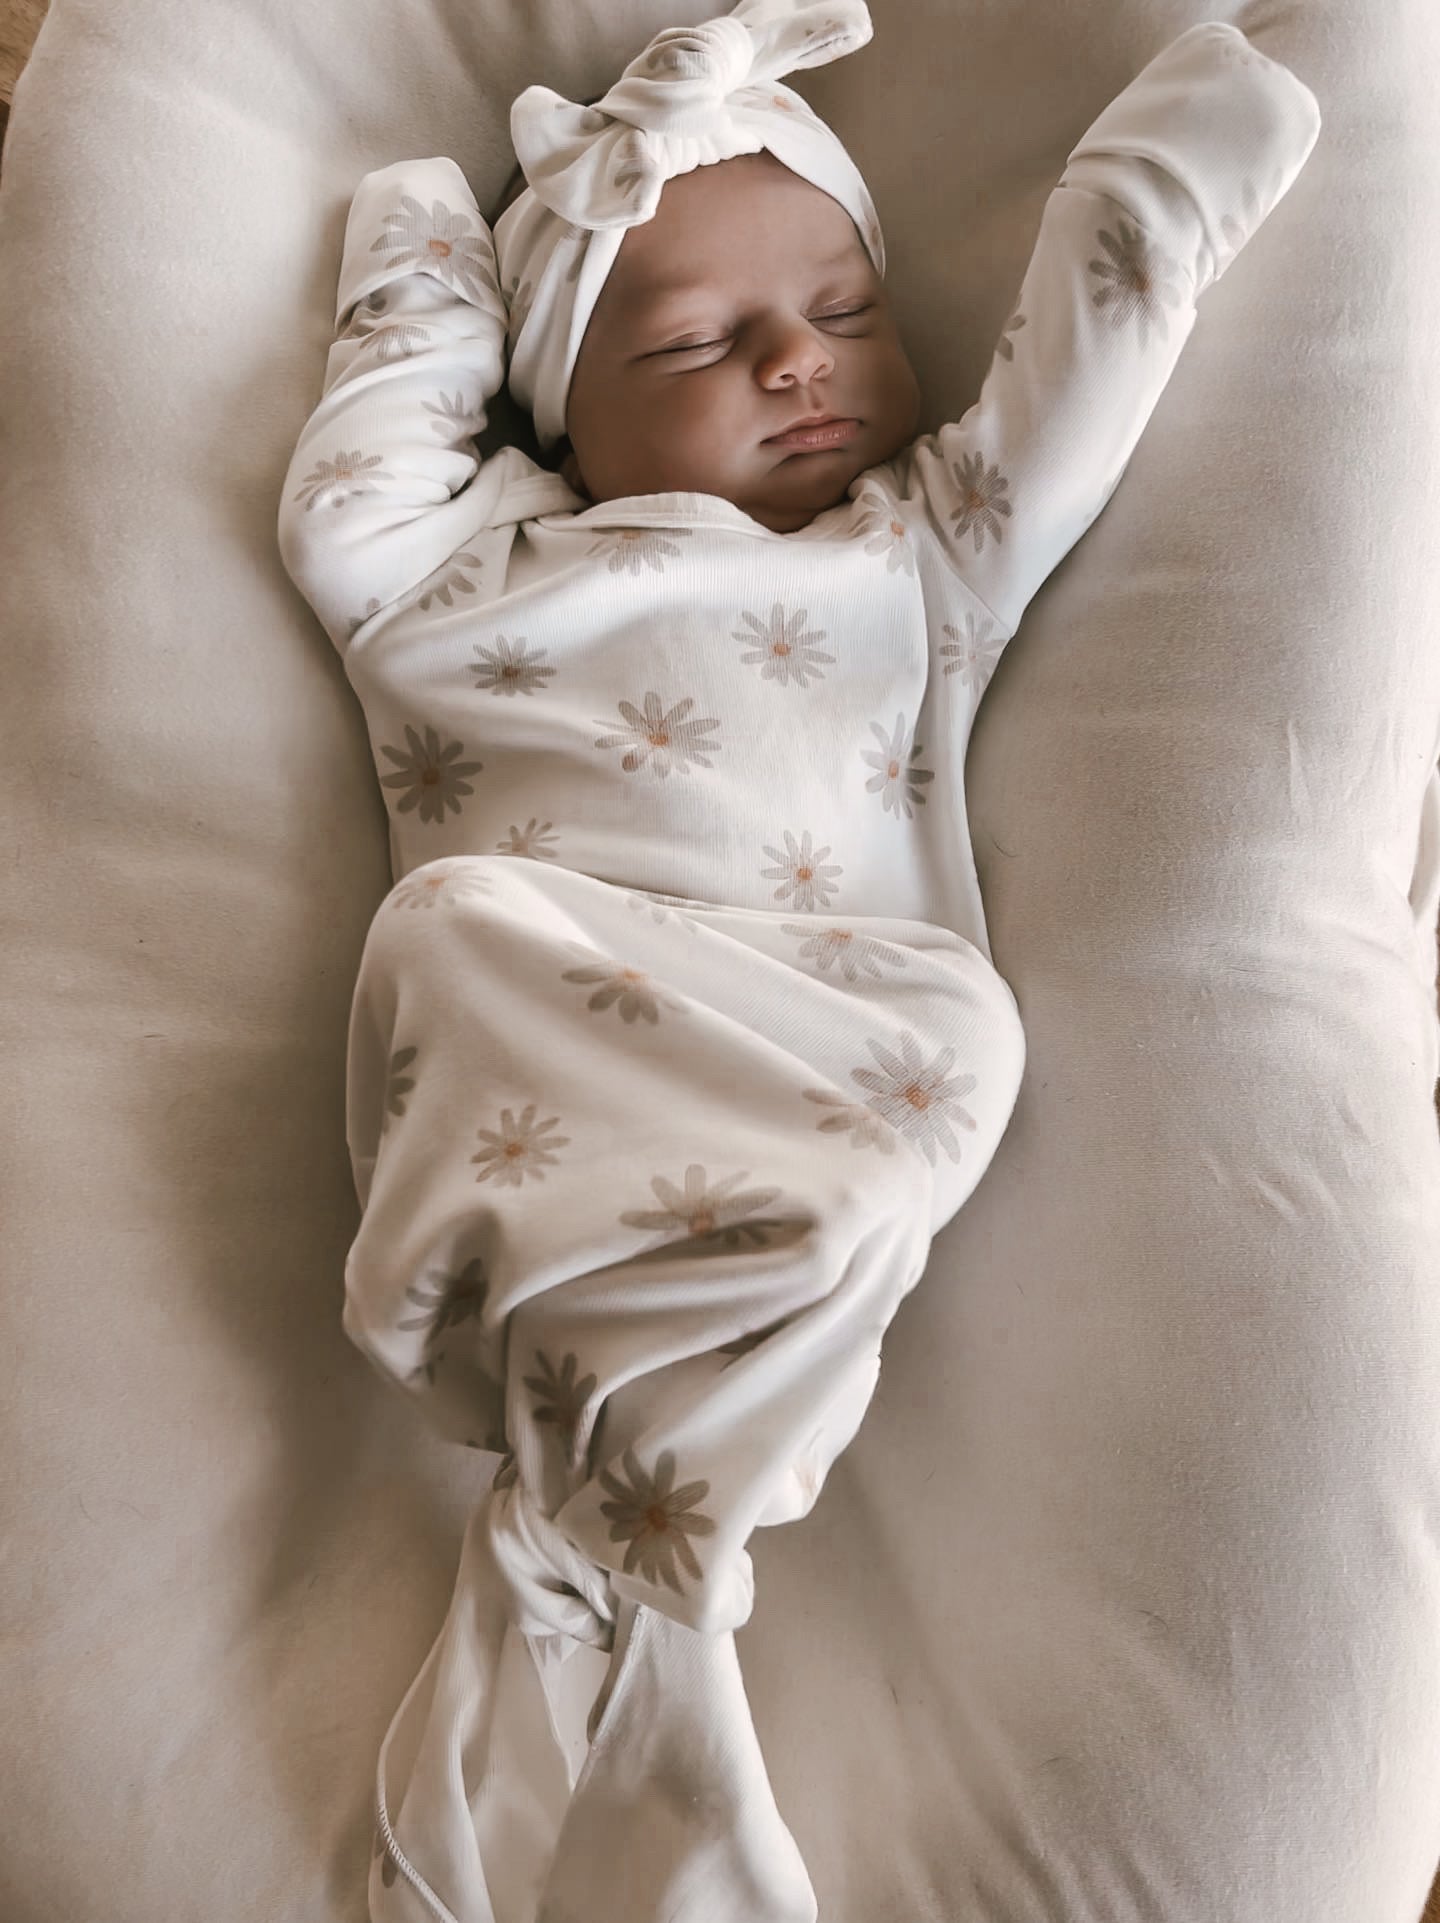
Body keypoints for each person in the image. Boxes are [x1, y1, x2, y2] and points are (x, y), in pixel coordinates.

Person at [276, 5, 1320, 1919]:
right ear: (558, 407)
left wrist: (1199, 127)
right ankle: (630, 1539)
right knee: (451, 928)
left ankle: (626, 1541)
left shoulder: (907, 558)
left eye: (843, 307)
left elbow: (1076, 379)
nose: (794, 358)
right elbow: (350, 475)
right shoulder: (447, 570)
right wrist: (429, 232)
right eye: (694, 342)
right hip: (538, 1030)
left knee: (964, 1035)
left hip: (813, 1054)